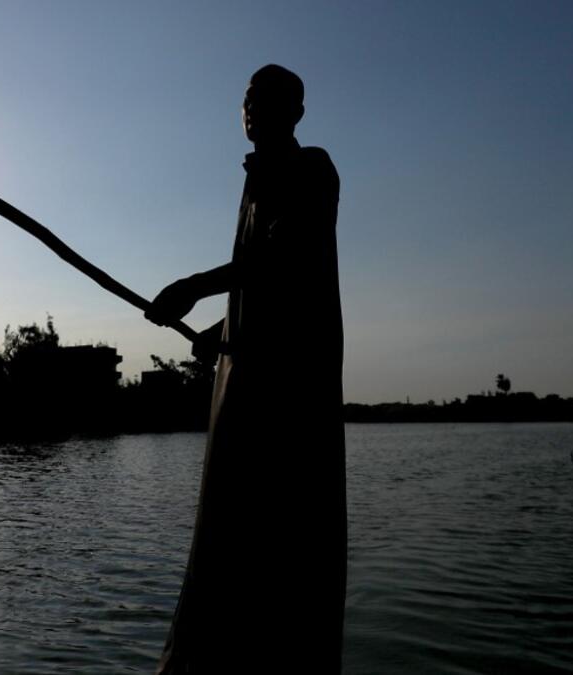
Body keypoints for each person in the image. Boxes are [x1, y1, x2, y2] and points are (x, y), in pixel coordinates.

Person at [146, 64, 346, 673]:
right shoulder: (255, 181)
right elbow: (261, 284)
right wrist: (220, 329)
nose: (253, 107)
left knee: (282, 521)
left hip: (289, 381)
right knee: (231, 525)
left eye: (268, 98)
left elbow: (286, 261)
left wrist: (195, 287)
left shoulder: (312, 168)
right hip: (245, 371)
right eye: (248, 99)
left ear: (298, 112)